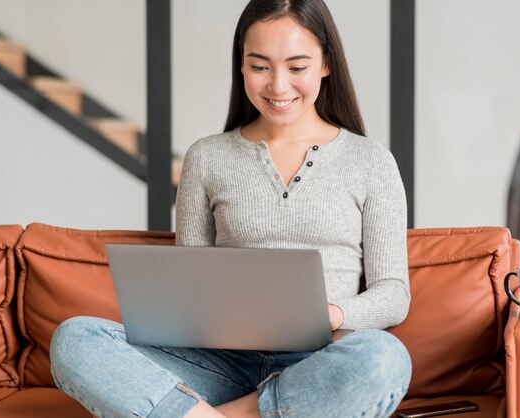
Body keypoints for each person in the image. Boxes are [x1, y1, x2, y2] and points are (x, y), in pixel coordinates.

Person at [49, 0, 412, 417]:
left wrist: (332, 314)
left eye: (297, 67)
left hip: (317, 361)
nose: (278, 86)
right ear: (241, 66)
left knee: (385, 358)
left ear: (326, 64)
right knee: (75, 339)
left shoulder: (371, 161)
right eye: (260, 66)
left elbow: (393, 294)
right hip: (219, 363)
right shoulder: (206, 157)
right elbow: (190, 284)